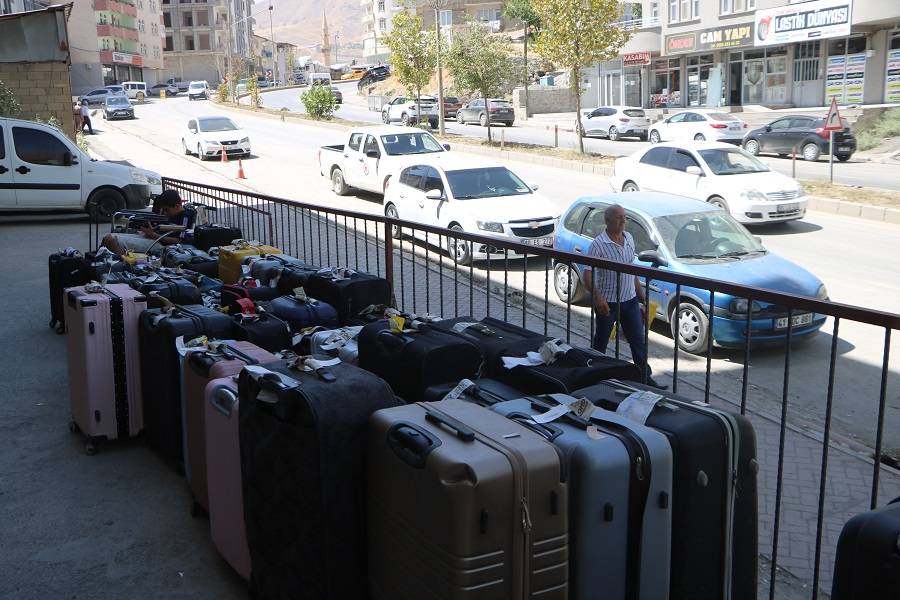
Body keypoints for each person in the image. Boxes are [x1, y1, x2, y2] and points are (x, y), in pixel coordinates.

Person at [582, 204, 666, 389]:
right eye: (619, 217)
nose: (623, 221)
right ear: (608, 221)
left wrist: (642, 297)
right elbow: (588, 275)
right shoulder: (598, 244)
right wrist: (598, 298)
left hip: (630, 301)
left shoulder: (629, 238)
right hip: (608, 303)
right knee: (601, 341)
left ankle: (645, 378)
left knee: (638, 340)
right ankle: (594, 376)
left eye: (624, 217)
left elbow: (631, 271)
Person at [101, 189, 196, 255]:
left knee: (111, 239)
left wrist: (154, 235)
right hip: (154, 238)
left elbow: (180, 241)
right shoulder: (173, 214)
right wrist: (150, 231)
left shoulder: (185, 217)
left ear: (177, 205)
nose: (165, 214)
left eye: (167, 210)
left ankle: (122, 264)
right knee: (108, 237)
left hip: (162, 245)